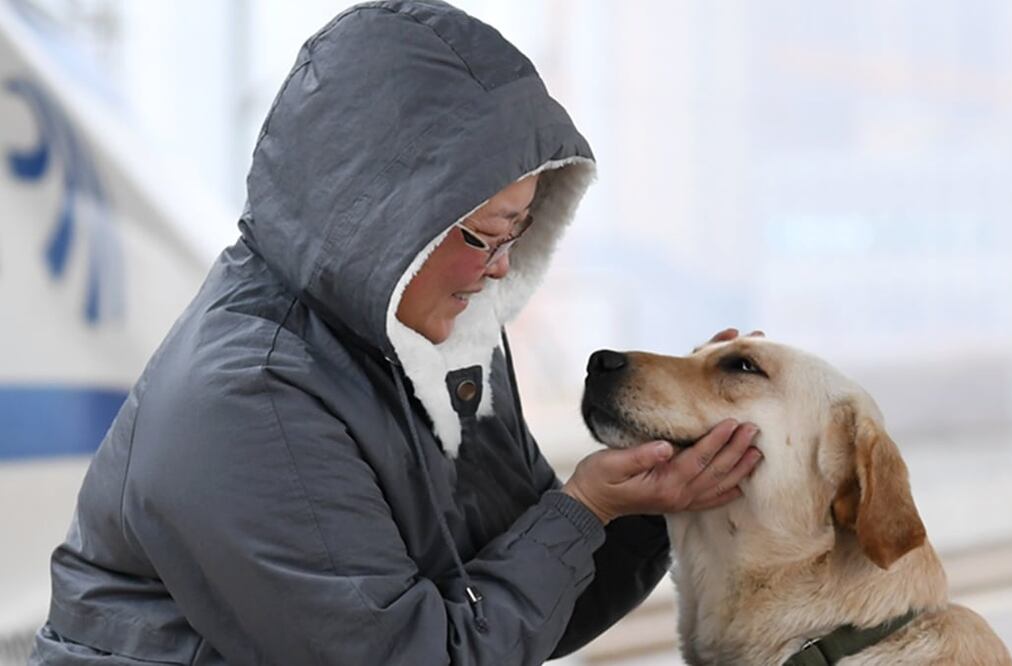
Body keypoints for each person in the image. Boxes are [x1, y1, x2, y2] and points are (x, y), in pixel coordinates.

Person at [30, 2, 761, 664]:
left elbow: (516, 617)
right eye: (483, 236)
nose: (499, 271)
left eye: (521, 231)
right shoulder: (251, 401)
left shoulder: (432, 337)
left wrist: (655, 494)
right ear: (382, 221)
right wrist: (587, 508)